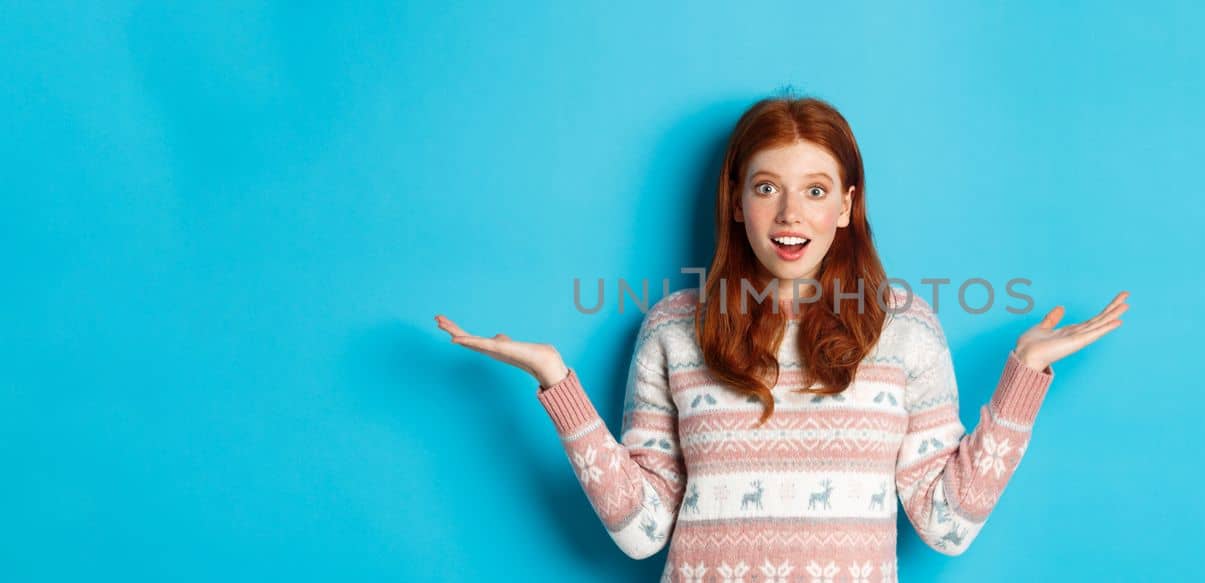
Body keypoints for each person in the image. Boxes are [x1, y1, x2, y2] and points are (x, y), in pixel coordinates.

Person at [436, 95, 1129, 581]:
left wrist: (1023, 380)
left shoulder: (906, 328)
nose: (791, 213)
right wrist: (559, 386)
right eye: (767, 187)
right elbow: (643, 533)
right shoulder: (676, 328)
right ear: (736, 201)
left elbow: (946, 525)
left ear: (849, 206)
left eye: (817, 190)